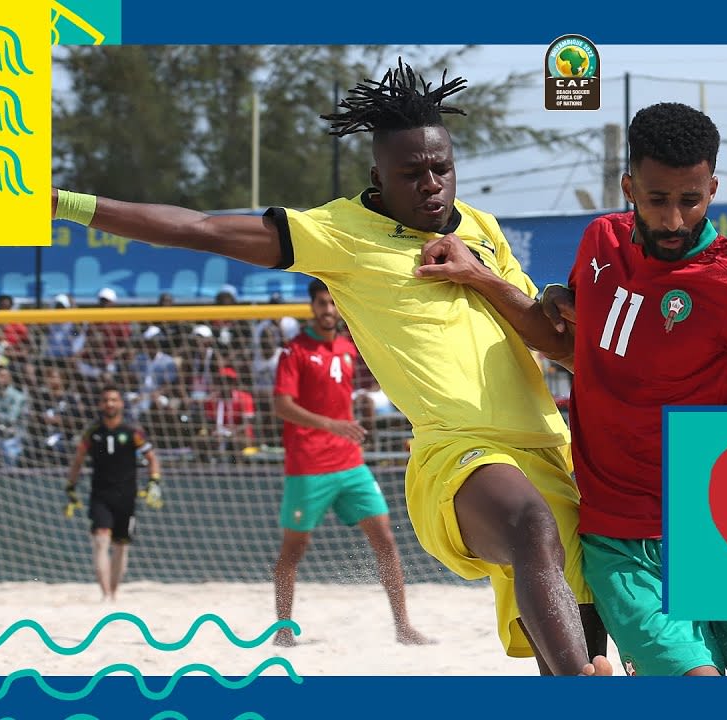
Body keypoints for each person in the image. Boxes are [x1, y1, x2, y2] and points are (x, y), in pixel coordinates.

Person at [51, 59, 608, 676]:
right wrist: (60, 202)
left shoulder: (481, 228)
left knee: (578, 644)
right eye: (411, 173)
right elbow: (202, 228)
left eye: (442, 168)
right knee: (530, 528)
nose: (432, 185)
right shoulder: (339, 233)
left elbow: (549, 341)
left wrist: (489, 278)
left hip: (549, 448)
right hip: (459, 453)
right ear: (378, 175)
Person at [478, 102, 727, 676]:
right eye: (657, 199)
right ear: (629, 187)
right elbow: (579, 347)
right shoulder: (599, 243)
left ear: (712, 189)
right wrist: (497, 283)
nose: (673, 220)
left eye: (689, 200)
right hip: (621, 537)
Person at [272, 278, 432, 647]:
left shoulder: (347, 346)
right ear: (312, 307)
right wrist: (331, 424)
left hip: (350, 462)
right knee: (293, 551)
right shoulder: (294, 351)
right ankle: (283, 630)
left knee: (386, 540)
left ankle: (403, 627)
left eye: (332, 303)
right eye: (321, 303)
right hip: (308, 465)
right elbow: (281, 405)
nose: (327, 310)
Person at [64, 385, 163, 601]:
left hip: (127, 496)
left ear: (121, 403)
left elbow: (152, 458)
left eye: (114, 400)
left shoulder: (132, 432)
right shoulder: (93, 432)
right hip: (100, 494)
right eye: (106, 400)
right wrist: (71, 487)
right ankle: (105, 594)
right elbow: (78, 461)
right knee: (100, 541)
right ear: (101, 404)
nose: (110, 404)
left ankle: (115, 592)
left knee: (121, 546)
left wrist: (154, 482)